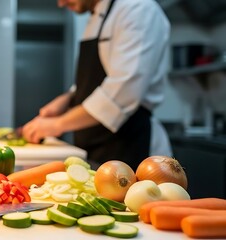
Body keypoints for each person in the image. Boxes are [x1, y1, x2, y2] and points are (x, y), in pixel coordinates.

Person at [22, 0, 172, 170]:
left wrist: (57, 124)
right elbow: (97, 80)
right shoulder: (96, 16)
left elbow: (123, 91)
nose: (61, 4)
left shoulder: (138, 9)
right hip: (96, 148)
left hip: (130, 146)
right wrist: (69, 98)